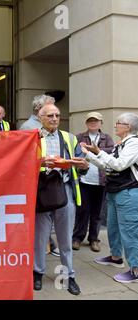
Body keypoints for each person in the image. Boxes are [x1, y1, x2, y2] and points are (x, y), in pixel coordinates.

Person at [33, 103, 89, 296]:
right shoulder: (33, 137)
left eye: (57, 115)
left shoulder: (69, 137)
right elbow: (21, 163)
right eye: (50, 115)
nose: (55, 119)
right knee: (39, 239)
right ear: (40, 117)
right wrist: (40, 162)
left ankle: (69, 276)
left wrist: (83, 164)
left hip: (65, 192)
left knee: (65, 239)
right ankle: (37, 273)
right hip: (41, 192)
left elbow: (83, 163)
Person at [82, 113, 138, 283]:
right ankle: (115, 257)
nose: (115, 126)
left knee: (129, 232)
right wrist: (88, 154)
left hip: (128, 192)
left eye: (118, 123)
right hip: (115, 190)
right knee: (113, 227)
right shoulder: (121, 144)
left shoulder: (134, 144)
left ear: (127, 127)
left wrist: (98, 151)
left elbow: (119, 165)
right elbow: (107, 164)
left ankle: (135, 270)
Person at [19, 94, 60, 257]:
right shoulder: (29, 127)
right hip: (37, 181)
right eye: (49, 111)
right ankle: (41, 249)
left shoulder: (52, 129)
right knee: (39, 219)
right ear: (39, 111)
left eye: (56, 113)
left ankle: (47, 244)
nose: (54, 116)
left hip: (50, 180)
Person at [73, 112, 114, 252]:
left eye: (96, 121)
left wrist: (94, 150)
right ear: (86, 123)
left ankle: (94, 239)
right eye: (90, 121)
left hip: (101, 181)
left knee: (97, 213)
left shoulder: (106, 138)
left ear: (101, 123)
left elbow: (112, 153)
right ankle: (77, 238)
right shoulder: (79, 137)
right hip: (84, 180)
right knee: (82, 210)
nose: (93, 123)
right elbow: (74, 151)